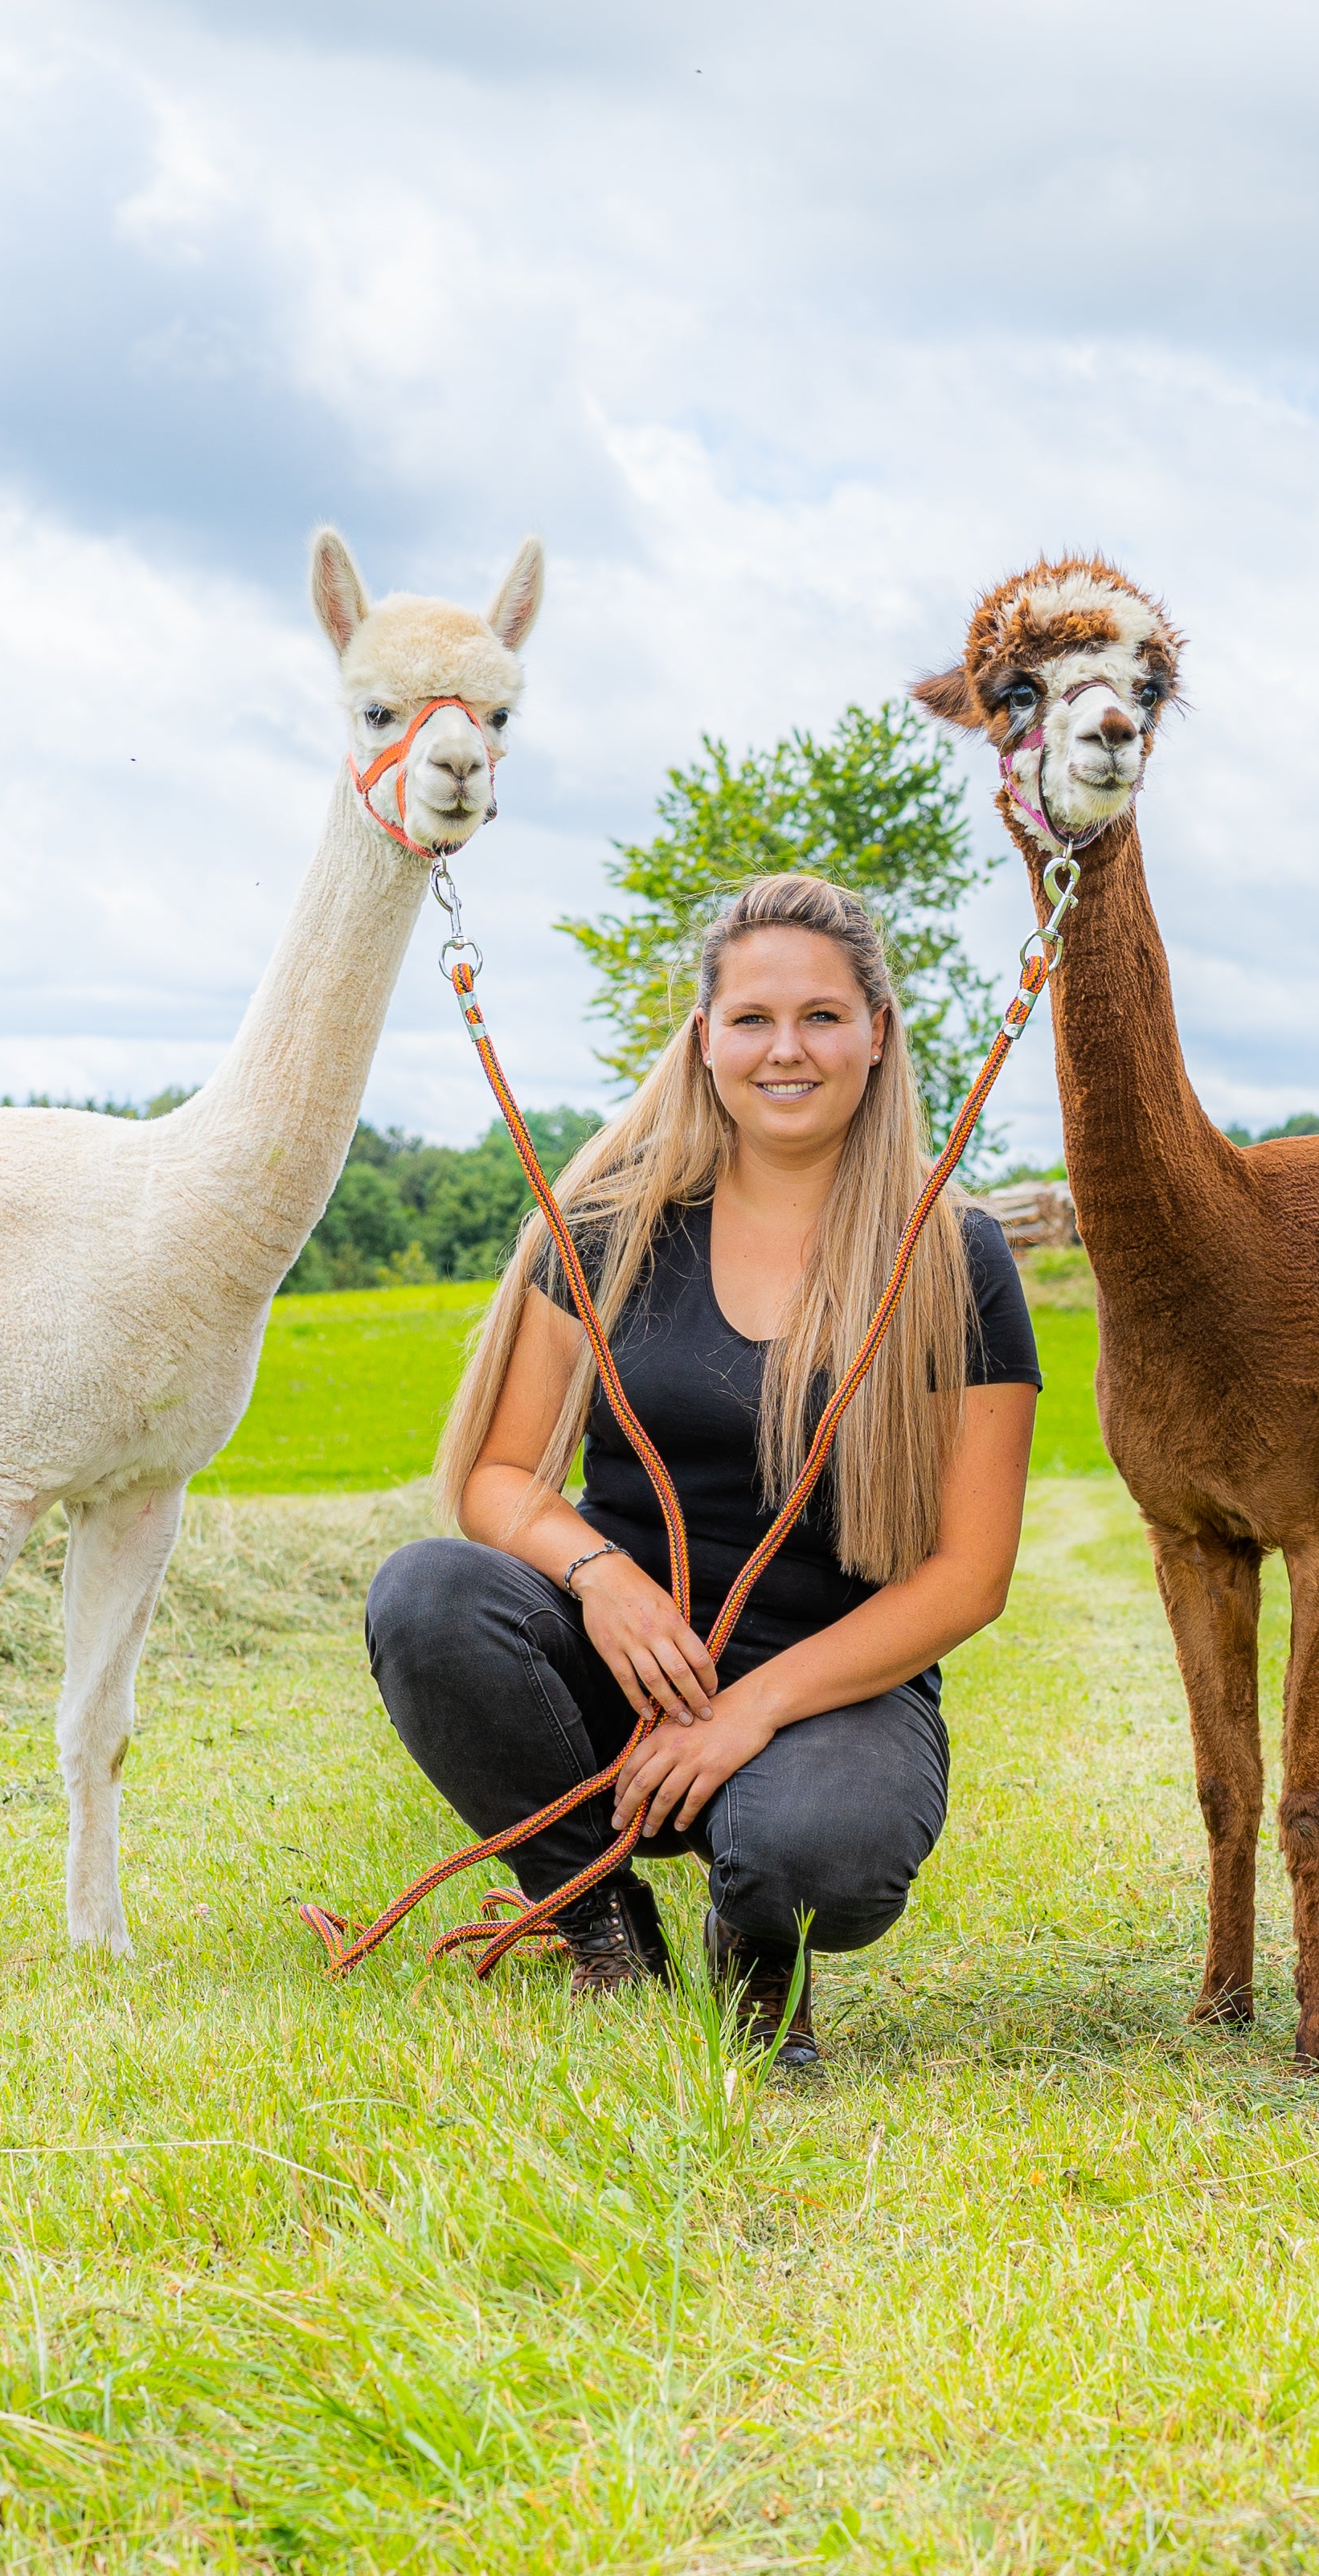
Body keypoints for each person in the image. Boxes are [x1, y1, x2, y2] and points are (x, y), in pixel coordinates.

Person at [363, 875, 1041, 2069]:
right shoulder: (613, 1229)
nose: (789, 1049)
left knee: (821, 1856)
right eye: (754, 1019)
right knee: (428, 1595)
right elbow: (502, 1476)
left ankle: (756, 1928)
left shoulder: (955, 1257)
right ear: (705, 1039)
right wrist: (603, 1578)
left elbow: (968, 1576)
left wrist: (749, 1713)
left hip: (830, 1690)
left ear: (878, 1037)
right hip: (630, 1660)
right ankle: (604, 1931)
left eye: (825, 1017)